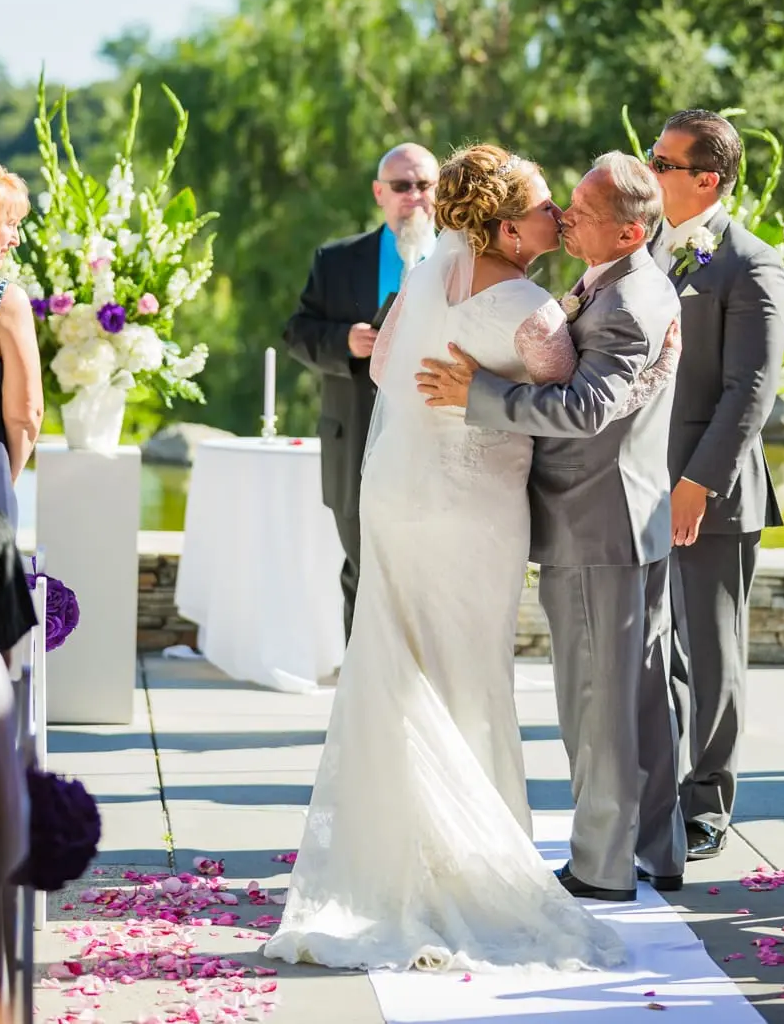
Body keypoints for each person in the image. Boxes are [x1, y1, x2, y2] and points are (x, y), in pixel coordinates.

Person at [266, 145, 625, 972]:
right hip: (469, 509)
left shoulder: (431, 272)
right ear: (507, 226)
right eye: (544, 208)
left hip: (396, 492)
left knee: (398, 667)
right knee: (470, 673)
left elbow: (387, 364)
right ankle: (475, 862)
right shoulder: (531, 307)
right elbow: (564, 402)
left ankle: (402, 851)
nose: (557, 218)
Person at [418, 152, 686, 903]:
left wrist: (483, 394)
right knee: (637, 696)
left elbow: (583, 410)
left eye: (583, 211)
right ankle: (657, 852)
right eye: (565, 203)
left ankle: (600, 867)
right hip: (623, 513)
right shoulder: (621, 283)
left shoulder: (630, 299)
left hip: (595, 519)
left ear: (631, 232)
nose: (565, 217)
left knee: (596, 697)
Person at [647, 110, 784, 861]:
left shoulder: (750, 264)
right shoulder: (642, 250)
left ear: (707, 179)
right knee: (656, 653)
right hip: (637, 484)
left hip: (711, 496)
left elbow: (749, 391)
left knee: (710, 652)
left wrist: (696, 485)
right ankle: (659, 788)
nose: (649, 167)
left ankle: (707, 803)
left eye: (662, 161)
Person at [283, 143, 439, 642]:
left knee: (429, 579)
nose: (413, 196)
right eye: (401, 186)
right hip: (355, 440)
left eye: (424, 184)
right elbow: (296, 332)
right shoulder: (337, 260)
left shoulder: (470, 258)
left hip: (440, 441)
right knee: (364, 573)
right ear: (379, 193)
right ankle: (363, 703)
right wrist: (342, 342)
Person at [0, 160, 41, 660]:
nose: (17, 238)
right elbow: (26, 413)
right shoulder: (5, 302)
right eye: (10, 222)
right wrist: (3, 478)